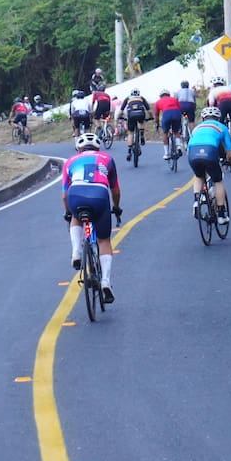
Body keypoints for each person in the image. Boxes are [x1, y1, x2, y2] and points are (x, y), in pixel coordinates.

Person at [62, 131, 122, 304]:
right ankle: (106, 282)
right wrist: (116, 208)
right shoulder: (107, 159)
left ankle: (76, 252)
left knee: (75, 216)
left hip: (76, 193)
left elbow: (64, 196)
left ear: (78, 148)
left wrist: (68, 212)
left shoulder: (70, 162)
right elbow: (115, 190)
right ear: (98, 147)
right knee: (103, 241)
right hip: (99, 194)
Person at [187, 106, 231, 225]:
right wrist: (230, 161)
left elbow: (188, 149)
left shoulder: (197, 128)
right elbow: (229, 151)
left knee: (199, 176)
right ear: (218, 118)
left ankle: (197, 200)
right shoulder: (222, 127)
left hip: (193, 153)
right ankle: (221, 214)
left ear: (203, 118)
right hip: (210, 151)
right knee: (218, 180)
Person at [207, 75, 231, 146]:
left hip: (222, 104)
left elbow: (211, 104)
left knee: (220, 125)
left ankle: (224, 143)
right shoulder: (229, 88)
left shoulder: (213, 91)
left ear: (214, 84)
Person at [117, 88, 152, 158]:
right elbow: (149, 110)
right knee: (141, 121)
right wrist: (151, 117)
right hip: (140, 113)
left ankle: (129, 151)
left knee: (130, 133)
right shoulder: (141, 98)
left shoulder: (128, 98)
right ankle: (141, 134)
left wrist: (119, 117)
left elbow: (121, 111)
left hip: (131, 115)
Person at [153, 88, 183, 158]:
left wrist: (157, 124)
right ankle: (178, 147)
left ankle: (166, 154)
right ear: (168, 95)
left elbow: (156, 115)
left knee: (165, 133)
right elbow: (180, 109)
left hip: (167, 114)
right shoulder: (174, 99)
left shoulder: (158, 102)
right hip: (176, 113)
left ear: (160, 96)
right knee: (176, 131)